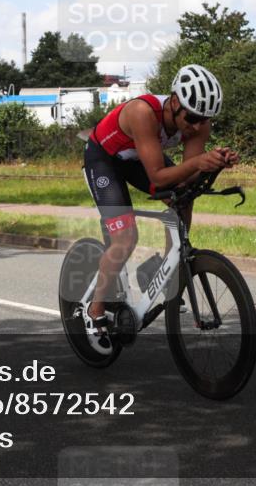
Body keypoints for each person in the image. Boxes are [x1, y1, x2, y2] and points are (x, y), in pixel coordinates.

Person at [83, 64, 238, 346]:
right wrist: (199, 163)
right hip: (105, 159)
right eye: (191, 117)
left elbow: (187, 177)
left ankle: (164, 273)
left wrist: (214, 164)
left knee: (184, 197)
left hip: (138, 159)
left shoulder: (199, 123)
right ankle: (95, 311)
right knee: (126, 238)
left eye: (203, 120)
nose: (196, 126)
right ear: (175, 102)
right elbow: (157, 176)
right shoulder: (143, 113)